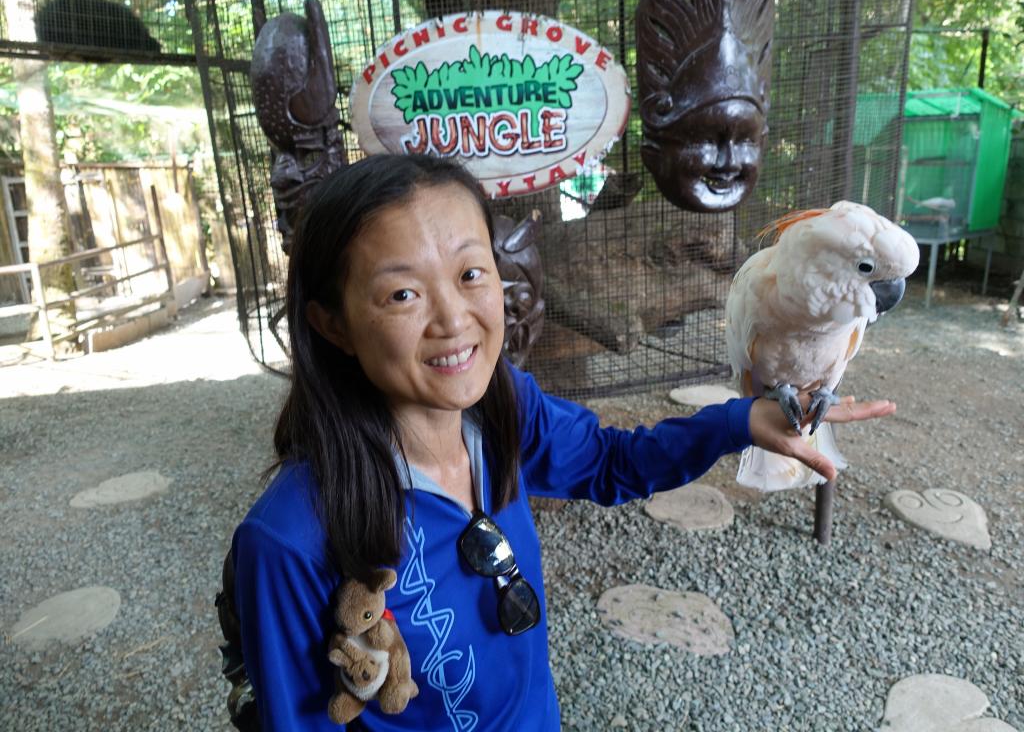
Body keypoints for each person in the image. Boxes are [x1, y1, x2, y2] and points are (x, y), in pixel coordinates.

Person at [231, 153, 896, 731]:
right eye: (402, 294)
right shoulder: (290, 539)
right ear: (333, 324)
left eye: (471, 274)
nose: (455, 320)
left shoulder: (505, 408)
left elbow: (609, 461)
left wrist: (737, 422)